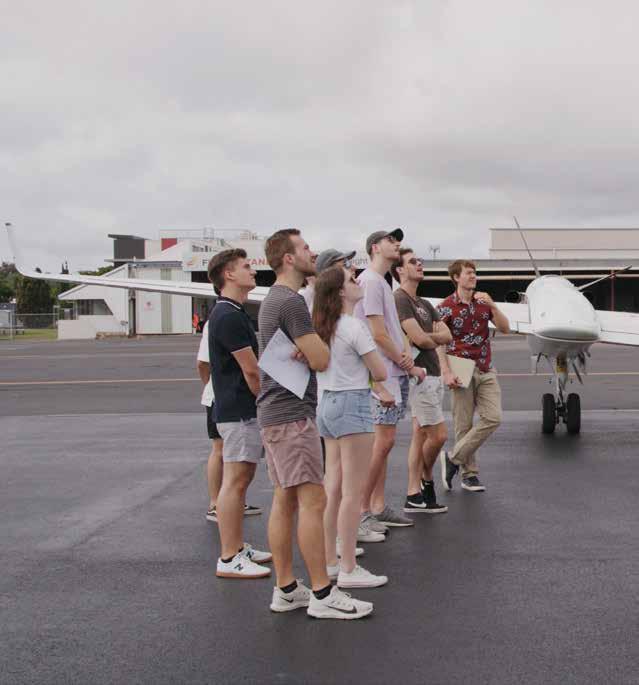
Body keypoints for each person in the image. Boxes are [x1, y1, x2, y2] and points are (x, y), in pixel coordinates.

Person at [258, 228, 372, 620]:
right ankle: (323, 592)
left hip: (274, 413)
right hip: (292, 415)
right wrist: (312, 350)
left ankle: (287, 588)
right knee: (313, 501)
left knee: (285, 500)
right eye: (305, 247)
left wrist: (307, 349)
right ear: (289, 258)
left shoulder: (272, 300)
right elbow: (322, 359)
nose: (312, 252)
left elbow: (310, 353)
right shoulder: (291, 302)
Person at [314, 266, 389, 589]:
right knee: (352, 491)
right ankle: (348, 567)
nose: (358, 282)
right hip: (352, 402)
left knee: (333, 486)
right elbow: (380, 372)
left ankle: (331, 561)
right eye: (351, 280)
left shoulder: (323, 326)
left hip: (326, 403)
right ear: (341, 292)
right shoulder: (354, 326)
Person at [354, 229, 425, 532]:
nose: (396, 244)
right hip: (383, 373)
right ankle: (360, 510)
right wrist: (405, 362)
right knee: (381, 443)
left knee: (384, 444)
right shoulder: (370, 281)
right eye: (390, 241)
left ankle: (377, 506)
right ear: (375, 247)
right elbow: (377, 333)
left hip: (392, 371)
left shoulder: (381, 282)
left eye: (397, 241)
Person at [207, 249, 272, 579]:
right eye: (246, 267)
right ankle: (229, 557)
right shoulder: (228, 315)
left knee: (241, 479)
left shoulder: (233, 311)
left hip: (238, 409)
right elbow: (251, 370)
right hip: (239, 410)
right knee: (235, 481)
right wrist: (267, 402)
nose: (253, 271)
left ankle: (236, 546)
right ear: (228, 274)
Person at [436, 260, 510, 493]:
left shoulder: (483, 303)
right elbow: (439, 342)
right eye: (468, 273)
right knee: (464, 423)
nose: (473, 276)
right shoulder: (445, 307)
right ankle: (469, 475)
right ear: (456, 277)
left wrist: (493, 306)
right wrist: (446, 371)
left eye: (474, 273)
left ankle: (453, 458)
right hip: (460, 365)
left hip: (485, 367)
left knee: (493, 417)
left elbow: (505, 328)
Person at [390, 249, 451, 514]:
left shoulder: (424, 304)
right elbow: (420, 339)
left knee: (419, 435)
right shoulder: (399, 299)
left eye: (420, 261)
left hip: (434, 374)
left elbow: (446, 335)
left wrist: (431, 337)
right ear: (400, 269)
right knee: (438, 436)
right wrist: (432, 337)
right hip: (420, 376)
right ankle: (426, 480)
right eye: (413, 261)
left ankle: (413, 494)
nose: (419, 264)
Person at [197, 320, 261, 522]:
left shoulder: (231, 318)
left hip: (224, 395)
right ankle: (215, 504)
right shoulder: (221, 321)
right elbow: (202, 363)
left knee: (231, 455)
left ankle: (232, 502)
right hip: (219, 397)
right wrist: (211, 386)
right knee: (219, 449)